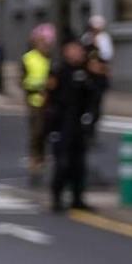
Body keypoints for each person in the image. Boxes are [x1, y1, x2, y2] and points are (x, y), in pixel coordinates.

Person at [46, 36, 99, 214]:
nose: (78, 53)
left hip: (79, 123)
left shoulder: (86, 72)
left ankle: (77, 197)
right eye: (74, 49)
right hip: (62, 123)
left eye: (79, 50)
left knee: (79, 163)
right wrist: (51, 128)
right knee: (62, 163)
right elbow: (51, 100)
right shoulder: (59, 71)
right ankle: (57, 197)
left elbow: (94, 96)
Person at [21, 23, 55, 182]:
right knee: (37, 131)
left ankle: (42, 157)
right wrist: (37, 87)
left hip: (50, 99)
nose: (44, 44)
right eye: (41, 41)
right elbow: (23, 81)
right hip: (34, 99)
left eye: (46, 41)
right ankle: (35, 158)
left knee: (48, 131)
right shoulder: (28, 58)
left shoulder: (51, 58)